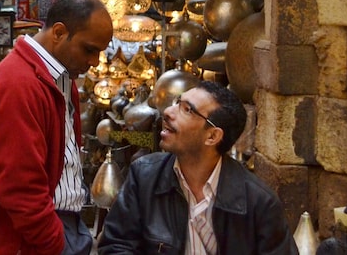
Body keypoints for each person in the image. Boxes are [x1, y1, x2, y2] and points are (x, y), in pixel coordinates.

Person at [0, 0, 114, 255]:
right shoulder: (18, 84)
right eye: (89, 49)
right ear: (59, 33)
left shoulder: (60, 79)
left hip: (58, 227)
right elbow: (20, 189)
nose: (94, 62)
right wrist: (54, 242)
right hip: (29, 238)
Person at [98, 81, 298, 255]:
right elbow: (116, 245)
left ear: (212, 136)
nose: (168, 112)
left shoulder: (258, 203)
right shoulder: (144, 177)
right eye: (177, 103)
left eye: (187, 110)